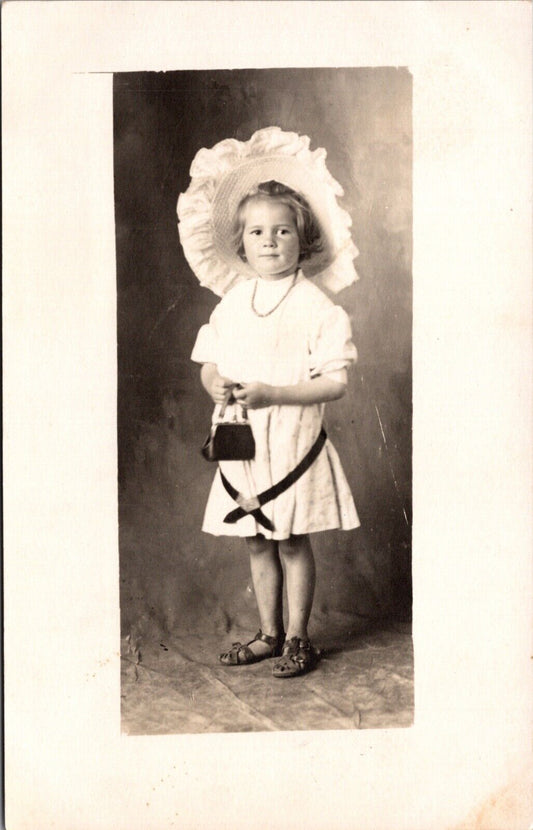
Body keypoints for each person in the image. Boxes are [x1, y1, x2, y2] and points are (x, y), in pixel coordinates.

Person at [178, 127, 360, 677]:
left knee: (291, 538)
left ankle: (299, 637)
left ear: (302, 240)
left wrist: (273, 393)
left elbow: (335, 382)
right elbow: (210, 359)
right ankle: (268, 631)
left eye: (282, 230)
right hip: (245, 445)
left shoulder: (316, 307)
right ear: (241, 242)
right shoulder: (232, 305)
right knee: (258, 539)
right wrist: (213, 380)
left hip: (293, 441)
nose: (270, 240)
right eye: (257, 231)